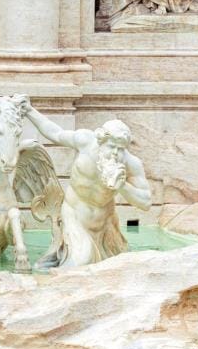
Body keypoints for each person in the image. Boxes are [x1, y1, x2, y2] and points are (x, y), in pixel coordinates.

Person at [25, 110, 152, 267]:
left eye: (121, 149)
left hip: (106, 223)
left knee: (119, 266)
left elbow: (146, 202)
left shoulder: (131, 163)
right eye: (112, 146)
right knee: (80, 263)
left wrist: (123, 186)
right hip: (75, 217)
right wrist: (29, 111)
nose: (115, 153)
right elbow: (55, 133)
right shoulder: (85, 141)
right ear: (101, 141)